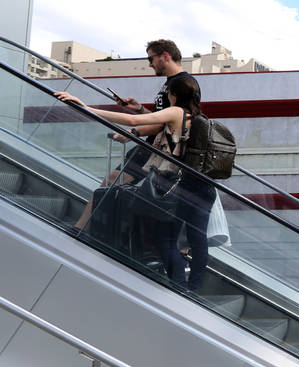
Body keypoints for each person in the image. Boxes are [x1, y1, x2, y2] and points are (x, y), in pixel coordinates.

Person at [55, 76, 214, 290]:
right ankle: (193, 289)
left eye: (168, 92)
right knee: (198, 239)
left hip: (176, 188)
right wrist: (137, 125)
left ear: (173, 95)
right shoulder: (197, 118)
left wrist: (85, 107)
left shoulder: (177, 112)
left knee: (164, 239)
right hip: (202, 187)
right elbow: (149, 127)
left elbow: (133, 121)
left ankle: (180, 288)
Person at [73, 39, 200, 230]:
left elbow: (167, 124)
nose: (149, 64)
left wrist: (134, 131)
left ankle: (81, 229)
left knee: (113, 183)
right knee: (113, 183)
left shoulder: (182, 84)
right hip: (152, 147)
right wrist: (139, 108)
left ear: (165, 56)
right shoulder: (171, 83)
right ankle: (84, 229)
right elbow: (162, 120)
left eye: (151, 59)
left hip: (157, 150)